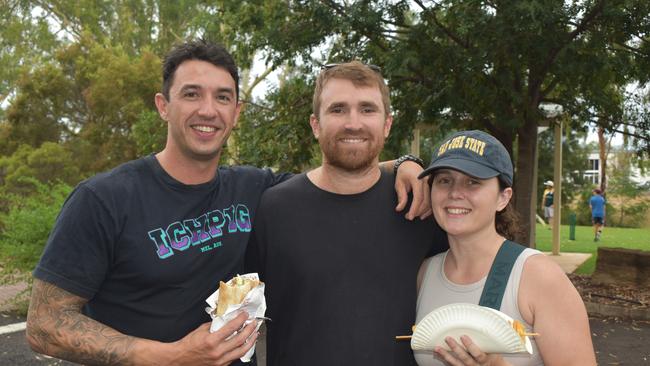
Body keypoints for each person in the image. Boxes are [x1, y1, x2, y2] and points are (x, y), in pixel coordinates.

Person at [25, 40, 430, 365]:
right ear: (163, 106)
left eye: (222, 97)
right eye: (191, 94)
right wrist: (171, 356)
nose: (208, 110)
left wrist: (407, 164)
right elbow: (44, 324)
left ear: (236, 112)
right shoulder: (103, 199)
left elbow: (340, 170)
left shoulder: (254, 189)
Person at [245, 61, 449, 366]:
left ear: (387, 124)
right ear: (316, 125)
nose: (353, 123)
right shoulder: (275, 209)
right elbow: (243, 310)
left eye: (367, 109)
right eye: (338, 109)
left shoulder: (418, 205)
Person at [415, 130, 596, 365]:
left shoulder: (538, 276)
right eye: (444, 180)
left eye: (473, 182)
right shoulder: (425, 273)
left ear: (503, 197)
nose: (455, 193)